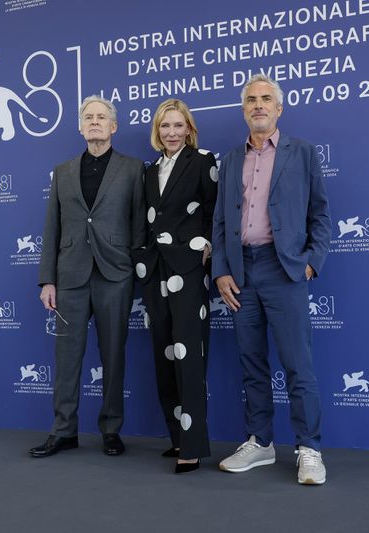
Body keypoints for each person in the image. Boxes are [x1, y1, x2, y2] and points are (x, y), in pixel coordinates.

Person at [211, 74, 331, 484]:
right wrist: (222, 269)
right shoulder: (229, 160)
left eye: (266, 99)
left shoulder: (303, 153)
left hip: (285, 270)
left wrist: (311, 262)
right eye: (251, 100)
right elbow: (221, 221)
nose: (258, 105)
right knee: (252, 363)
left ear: (279, 108)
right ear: (243, 109)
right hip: (242, 271)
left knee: (298, 364)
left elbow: (320, 214)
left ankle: (309, 448)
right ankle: (260, 442)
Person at [29, 95, 146, 458]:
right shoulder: (63, 171)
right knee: (66, 357)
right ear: (80, 127)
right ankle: (63, 430)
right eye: (88, 117)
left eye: (101, 117)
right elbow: (52, 227)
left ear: (114, 126)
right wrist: (47, 279)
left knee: (113, 355)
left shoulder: (133, 169)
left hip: (115, 275)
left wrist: (136, 270)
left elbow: (139, 224)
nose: (94, 122)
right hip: (70, 276)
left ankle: (111, 429)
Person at [134, 99, 218, 473]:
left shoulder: (202, 160)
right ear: (157, 130)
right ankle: (177, 436)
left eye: (177, 126)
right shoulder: (149, 171)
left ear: (189, 129)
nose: (171, 132)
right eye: (165, 126)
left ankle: (193, 444)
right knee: (164, 355)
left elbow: (215, 210)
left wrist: (208, 248)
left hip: (188, 268)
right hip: (155, 271)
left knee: (189, 355)